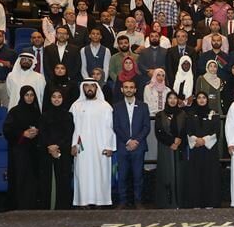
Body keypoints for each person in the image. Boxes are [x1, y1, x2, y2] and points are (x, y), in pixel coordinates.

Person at [70, 80, 115, 207]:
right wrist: (73, 144)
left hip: (100, 146)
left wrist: (110, 146)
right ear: (82, 88)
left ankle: (101, 201)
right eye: (86, 86)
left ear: (96, 88)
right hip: (81, 147)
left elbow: (109, 128)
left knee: (100, 173)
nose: (89, 88)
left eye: (92, 86)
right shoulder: (76, 106)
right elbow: (73, 128)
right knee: (83, 174)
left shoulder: (105, 106)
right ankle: (83, 201)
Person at [112, 79, 150, 209]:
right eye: (126, 87)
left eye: (131, 87)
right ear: (122, 89)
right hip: (123, 146)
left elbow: (146, 127)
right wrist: (128, 141)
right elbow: (116, 127)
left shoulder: (143, 106)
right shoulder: (116, 107)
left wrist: (136, 141)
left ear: (135, 90)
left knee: (138, 176)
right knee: (122, 176)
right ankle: (122, 201)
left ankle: (138, 201)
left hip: (138, 147)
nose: (129, 89)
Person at [3, 86, 42, 209]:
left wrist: (37, 132)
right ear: (22, 96)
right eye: (27, 95)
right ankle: (19, 207)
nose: (29, 98)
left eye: (32, 95)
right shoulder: (14, 112)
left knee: (33, 180)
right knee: (20, 178)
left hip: (34, 151)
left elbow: (43, 128)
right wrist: (22, 133)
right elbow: (7, 130)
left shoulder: (36, 111)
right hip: (19, 152)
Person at [38, 88, 75, 210]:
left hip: (63, 152)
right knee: (47, 182)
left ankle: (63, 208)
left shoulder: (68, 115)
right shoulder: (44, 116)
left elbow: (69, 134)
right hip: (47, 153)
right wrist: (50, 147)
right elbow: (42, 134)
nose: (57, 99)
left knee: (63, 182)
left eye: (59, 97)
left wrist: (57, 146)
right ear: (50, 99)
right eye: (54, 96)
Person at [186, 91, 221, 208]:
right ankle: (196, 203)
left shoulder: (214, 114)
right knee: (195, 176)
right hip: (195, 150)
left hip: (209, 151)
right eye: (199, 98)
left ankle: (209, 202)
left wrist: (204, 140)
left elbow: (216, 131)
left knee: (209, 176)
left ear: (207, 100)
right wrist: (195, 140)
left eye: (204, 98)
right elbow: (188, 131)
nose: (201, 100)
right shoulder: (190, 114)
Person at [155, 91, 188, 208]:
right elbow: (159, 132)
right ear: (167, 100)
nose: (173, 100)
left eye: (175, 98)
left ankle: (180, 202)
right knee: (167, 174)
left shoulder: (182, 114)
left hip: (179, 149)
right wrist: (171, 141)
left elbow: (185, 130)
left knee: (179, 175)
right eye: (170, 98)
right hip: (166, 148)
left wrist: (179, 141)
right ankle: (167, 202)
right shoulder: (160, 115)